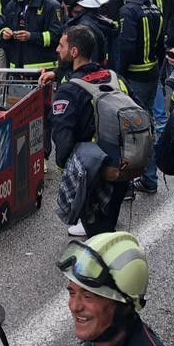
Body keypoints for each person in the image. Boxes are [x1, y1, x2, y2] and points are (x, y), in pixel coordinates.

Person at [49, 26, 132, 235]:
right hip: (122, 165)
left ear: (74, 52)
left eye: (61, 45)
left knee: (97, 237)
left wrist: (67, 169)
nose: (58, 49)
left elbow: (63, 138)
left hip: (93, 171)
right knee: (108, 227)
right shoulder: (114, 78)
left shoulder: (69, 90)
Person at [115, 0, 167, 194]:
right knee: (148, 125)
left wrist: (119, 73)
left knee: (129, 130)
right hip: (152, 73)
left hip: (134, 76)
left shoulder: (128, 11)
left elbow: (126, 46)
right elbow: (161, 45)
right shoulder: (154, 8)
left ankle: (127, 185)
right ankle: (149, 178)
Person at [0, 0, 65, 72]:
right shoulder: (13, 4)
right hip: (17, 71)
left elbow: (56, 36)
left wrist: (31, 36)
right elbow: (1, 27)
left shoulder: (51, 6)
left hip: (42, 72)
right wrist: (4, 33)